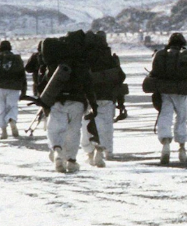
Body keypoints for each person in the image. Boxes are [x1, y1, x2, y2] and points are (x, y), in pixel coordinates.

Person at [28, 31, 96, 174]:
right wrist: (93, 105)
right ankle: (71, 161)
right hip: (77, 102)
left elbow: (43, 84)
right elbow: (89, 86)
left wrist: (44, 101)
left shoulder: (54, 64)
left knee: (54, 129)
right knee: (73, 131)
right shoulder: (81, 63)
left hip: (57, 101)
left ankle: (57, 150)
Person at [143, 33, 187, 165]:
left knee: (165, 117)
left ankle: (165, 146)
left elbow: (154, 73)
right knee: (181, 118)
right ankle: (182, 149)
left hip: (165, 91)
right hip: (182, 91)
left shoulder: (160, 55)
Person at [82, 30, 126, 168]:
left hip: (88, 97)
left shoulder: (83, 58)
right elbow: (120, 79)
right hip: (107, 96)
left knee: (86, 125)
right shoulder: (110, 58)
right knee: (106, 125)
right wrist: (121, 103)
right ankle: (104, 151)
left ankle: (89, 152)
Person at [0, 40, 27, 139]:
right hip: (14, 87)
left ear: (0, 48)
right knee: (12, 106)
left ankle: (3, 131)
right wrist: (23, 91)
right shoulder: (17, 59)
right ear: (10, 48)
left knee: (0, 109)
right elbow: (22, 75)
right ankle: (11, 120)